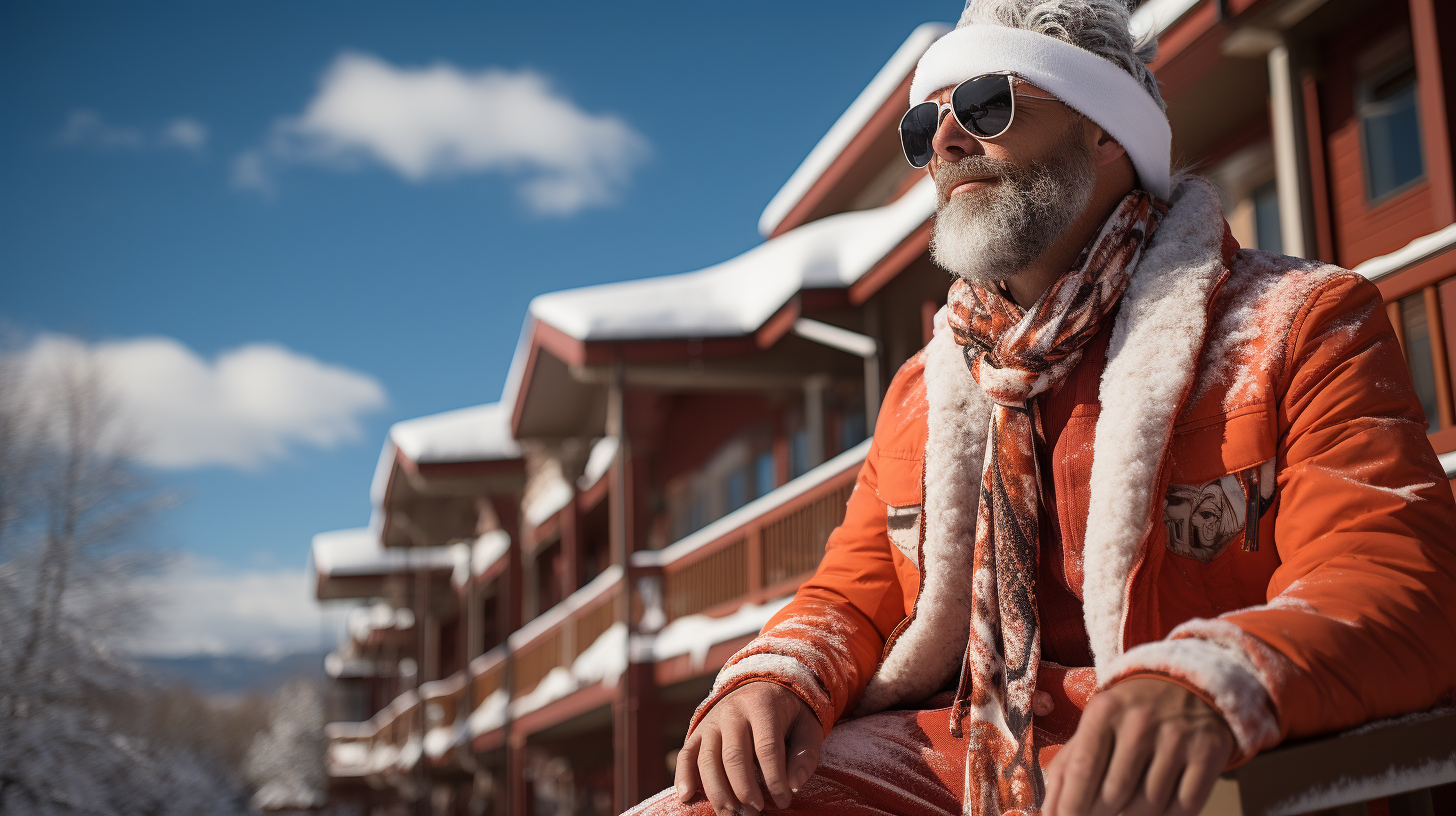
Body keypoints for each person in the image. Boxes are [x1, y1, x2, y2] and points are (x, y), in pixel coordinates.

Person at [629, 1, 1456, 814]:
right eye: (923, 128)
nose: (945, 143)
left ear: (1104, 130)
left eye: (988, 104)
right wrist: (781, 672)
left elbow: (1390, 580)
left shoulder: (1296, 324)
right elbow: (852, 596)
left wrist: (1210, 678)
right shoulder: (925, 391)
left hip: (1184, 766)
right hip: (963, 755)